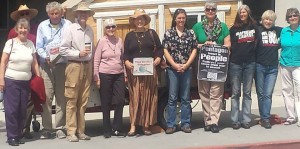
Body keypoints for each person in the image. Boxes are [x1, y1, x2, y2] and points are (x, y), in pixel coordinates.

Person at [0, 18, 40, 146]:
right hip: (11, 80)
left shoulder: (30, 44)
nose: (23, 30)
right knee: (12, 110)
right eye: (21, 28)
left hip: (25, 82)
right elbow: (3, 62)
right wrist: (1, 80)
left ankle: (18, 134)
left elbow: (34, 63)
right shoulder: (10, 43)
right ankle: (12, 136)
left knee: (22, 109)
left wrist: (38, 78)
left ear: (28, 30)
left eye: (25, 28)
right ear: (16, 30)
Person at [192, 2, 231, 133]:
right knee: (204, 93)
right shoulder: (197, 26)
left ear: (216, 11)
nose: (210, 11)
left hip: (218, 65)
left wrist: (216, 45)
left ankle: (214, 121)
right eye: (208, 9)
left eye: (212, 9)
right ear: (204, 11)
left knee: (216, 93)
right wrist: (202, 45)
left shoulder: (223, 26)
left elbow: (228, 44)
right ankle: (207, 120)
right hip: (203, 65)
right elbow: (192, 43)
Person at [124, 8, 163, 136]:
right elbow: (126, 54)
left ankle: (146, 125)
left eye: (142, 18)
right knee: (135, 98)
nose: (139, 21)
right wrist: (127, 62)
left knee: (148, 98)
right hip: (134, 72)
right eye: (137, 19)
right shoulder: (129, 35)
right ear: (134, 21)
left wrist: (158, 58)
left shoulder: (152, 33)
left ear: (145, 20)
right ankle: (133, 125)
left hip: (149, 71)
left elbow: (160, 49)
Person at [36, 1, 72, 139]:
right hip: (47, 65)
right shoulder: (42, 26)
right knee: (46, 97)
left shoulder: (68, 25)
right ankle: (47, 128)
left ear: (61, 13)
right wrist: (46, 57)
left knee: (61, 97)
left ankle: (60, 128)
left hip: (62, 64)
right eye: (52, 13)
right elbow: (39, 46)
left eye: (57, 13)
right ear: (48, 14)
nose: (55, 16)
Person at [59, 2, 94, 142]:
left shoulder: (90, 29)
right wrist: (78, 53)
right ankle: (71, 131)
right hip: (74, 65)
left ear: (88, 15)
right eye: (81, 12)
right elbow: (63, 50)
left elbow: (92, 49)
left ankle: (81, 131)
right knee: (72, 99)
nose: (83, 15)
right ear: (77, 15)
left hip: (87, 65)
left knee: (83, 100)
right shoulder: (70, 29)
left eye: (85, 13)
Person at [162, 8, 197, 134]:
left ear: (185, 19)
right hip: (172, 70)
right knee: (172, 97)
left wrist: (186, 64)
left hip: (187, 69)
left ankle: (185, 123)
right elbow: (165, 50)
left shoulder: (190, 33)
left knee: (185, 98)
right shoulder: (168, 33)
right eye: (179, 18)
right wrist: (174, 65)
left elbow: (194, 49)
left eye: (183, 18)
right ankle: (171, 124)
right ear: (175, 19)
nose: (181, 20)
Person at [7, 4, 38, 139]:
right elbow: (7, 56)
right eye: (22, 14)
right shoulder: (12, 33)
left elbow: (36, 56)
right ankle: (17, 132)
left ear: (30, 15)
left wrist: (38, 74)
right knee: (15, 105)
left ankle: (25, 129)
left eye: (27, 13)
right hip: (15, 74)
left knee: (28, 102)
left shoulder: (35, 31)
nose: (25, 16)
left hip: (30, 71)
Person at [93, 18, 126, 138]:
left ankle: (117, 127)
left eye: (113, 26)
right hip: (105, 74)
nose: (111, 29)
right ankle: (106, 129)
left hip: (119, 74)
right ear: (105, 29)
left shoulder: (119, 40)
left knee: (121, 100)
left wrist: (125, 74)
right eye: (108, 27)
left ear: (116, 28)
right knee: (106, 102)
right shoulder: (101, 41)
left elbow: (123, 59)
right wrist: (96, 77)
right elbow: (96, 60)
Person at [229, 5, 258, 130]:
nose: (242, 14)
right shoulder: (233, 29)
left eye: (244, 12)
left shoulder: (254, 28)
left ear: (248, 13)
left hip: (250, 63)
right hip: (235, 63)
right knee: (235, 93)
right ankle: (235, 120)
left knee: (247, 93)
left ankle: (246, 119)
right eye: (240, 12)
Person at [255, 10, 282, 129]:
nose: (268, 21)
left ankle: (265, 118)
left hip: (272, 67)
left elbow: (292, 28)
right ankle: (263, 117)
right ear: (262, 19)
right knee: (261, 94)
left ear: (273, 21)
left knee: (268, 94)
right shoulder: (257, 29)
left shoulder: (279, 31)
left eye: (270, 20)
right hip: (259, 66)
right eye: (266, 19)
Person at [279, 8, 300, 125]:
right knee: (287, 91)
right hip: (285, 64)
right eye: (290, 16)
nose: (292, 18)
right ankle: (291, 117)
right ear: (287, 19)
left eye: (295, 15)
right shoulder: (284, 31)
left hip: (298, 65)